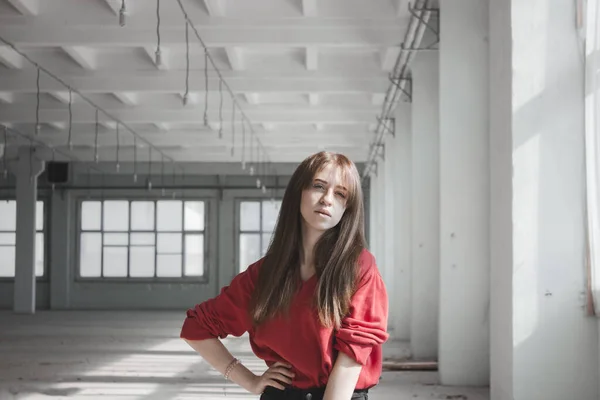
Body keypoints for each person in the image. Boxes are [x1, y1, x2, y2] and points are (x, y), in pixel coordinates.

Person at [180, 151, 389, 400]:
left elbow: (352, 357)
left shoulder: (359, 267)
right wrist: (249, 380)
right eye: (319, 186)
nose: (327, 199)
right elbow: (196, 328)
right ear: (298, 192)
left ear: (347, 209)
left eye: (341, 194)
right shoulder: (262, 275)